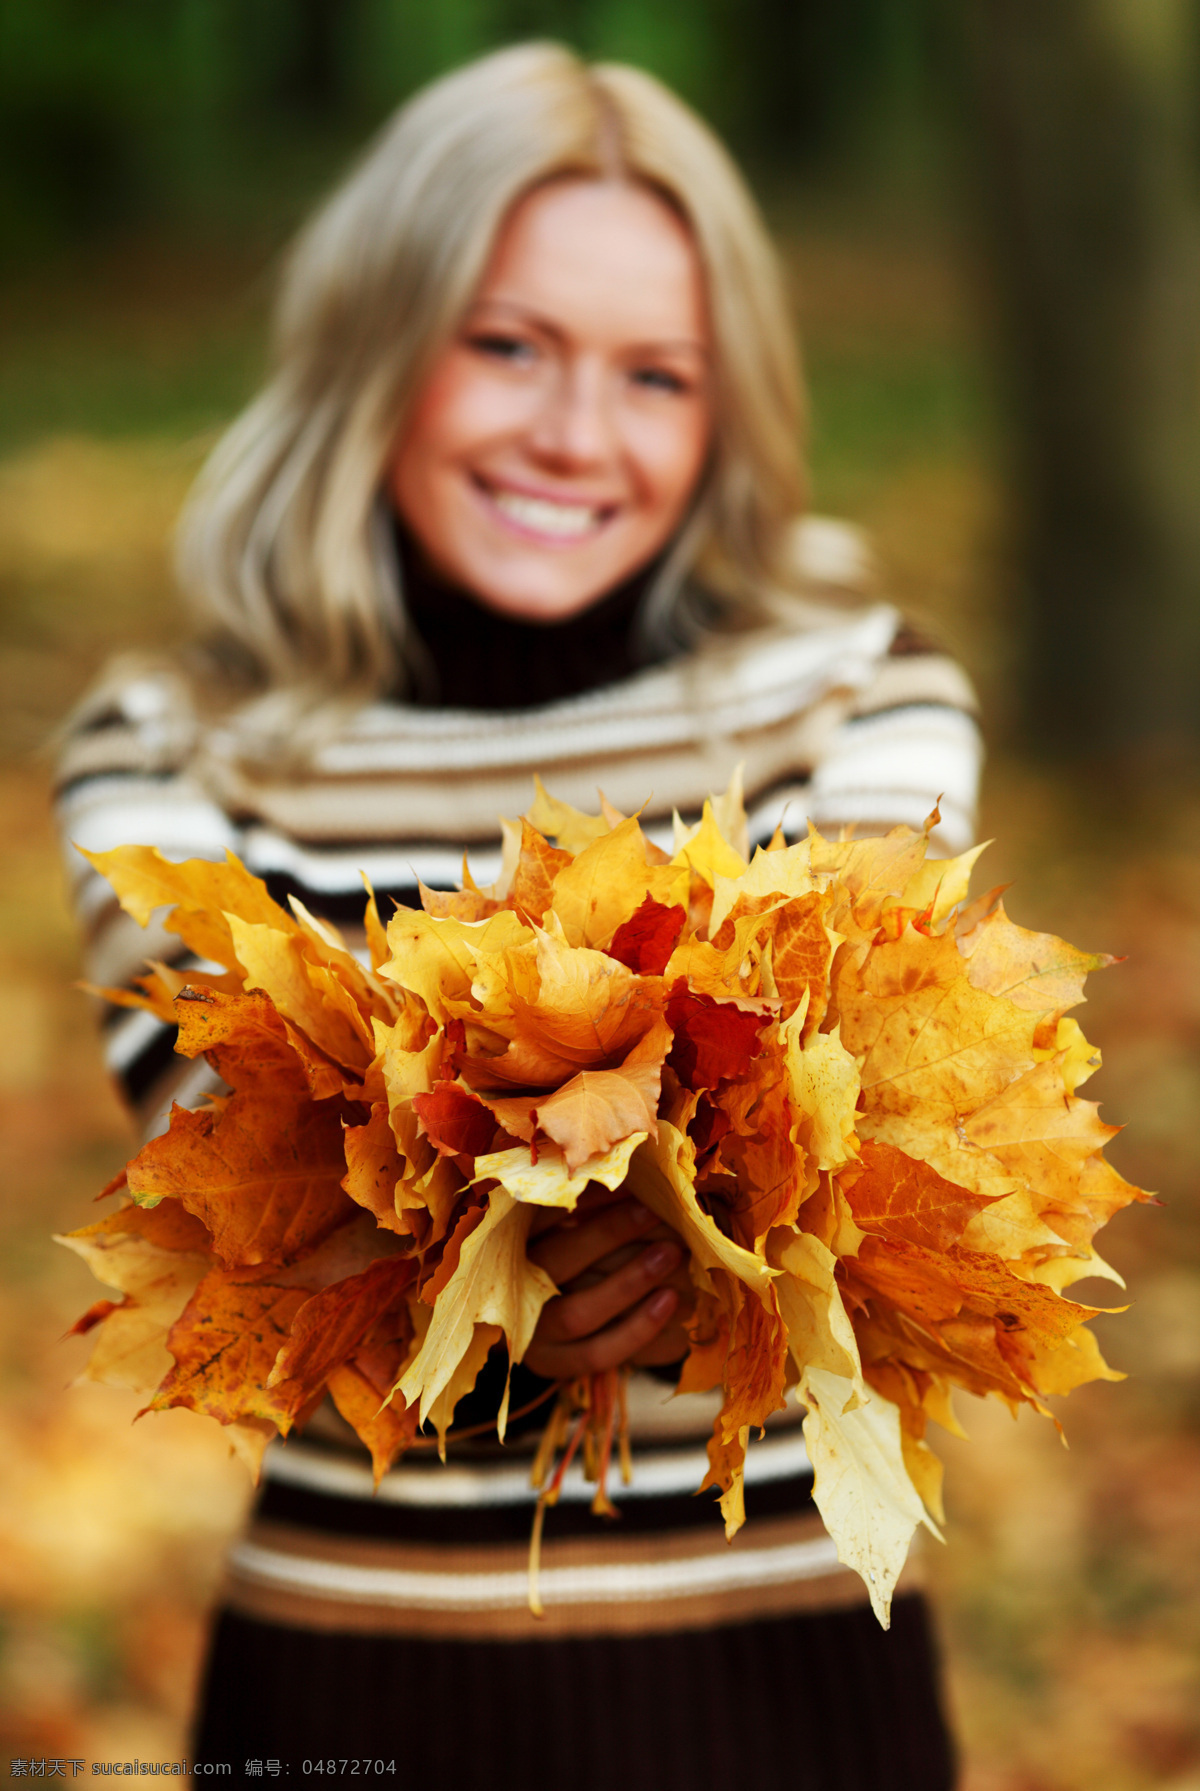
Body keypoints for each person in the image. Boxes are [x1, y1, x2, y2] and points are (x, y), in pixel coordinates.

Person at [57, 42, 980, 1789]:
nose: (576, 433)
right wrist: (503, 1271)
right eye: (507, 347)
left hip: (791, 1693)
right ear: (373, 348)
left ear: (729, 409)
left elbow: (836, 1147)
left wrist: (458, 1208)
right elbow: (249, 1199)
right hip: (358, 1698)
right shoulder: (170, 757)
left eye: (657, 376)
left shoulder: (858, 697)